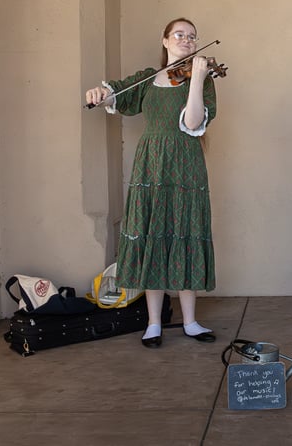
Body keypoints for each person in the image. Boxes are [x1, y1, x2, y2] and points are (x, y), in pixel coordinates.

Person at [85, 17, 218, 348]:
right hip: (152, 164)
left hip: (186, 163)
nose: (187, 40)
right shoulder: (146, 79)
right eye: (180, 35)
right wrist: (101, 93)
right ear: (165, 41)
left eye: (192, 36)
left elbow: (192, 121)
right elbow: (114, 94)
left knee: (185, 230)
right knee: (153, 231)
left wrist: (198, 79)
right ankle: (154, 322)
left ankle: (190, 321)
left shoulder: (198, 79)